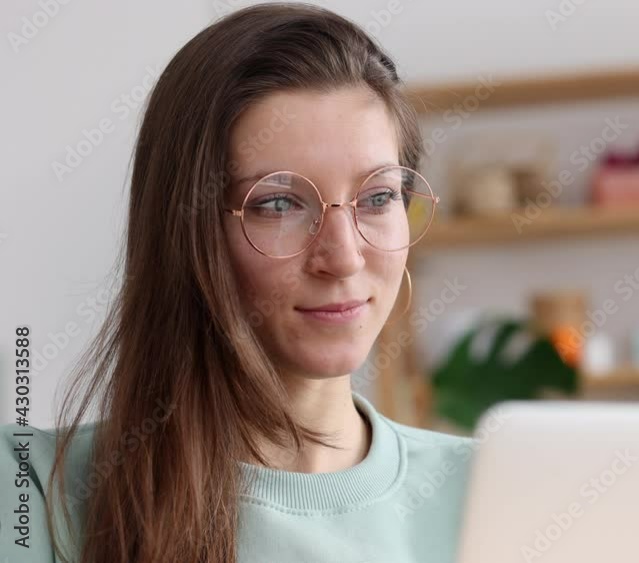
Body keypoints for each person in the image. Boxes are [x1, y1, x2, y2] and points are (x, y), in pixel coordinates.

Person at [1, 4, 475, 562]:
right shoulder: (31, 490)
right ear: (190, 229)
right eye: (278, 203)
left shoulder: (491, 489)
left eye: (378, 198)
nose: (344, 257)